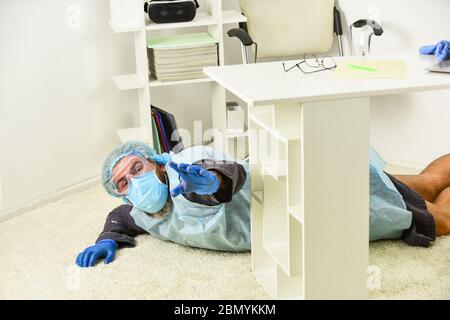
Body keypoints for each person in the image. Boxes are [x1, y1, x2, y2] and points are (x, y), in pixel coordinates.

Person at [76, 141, 450, 268]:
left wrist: (212, 182)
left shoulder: (185, 171)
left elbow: (226, 176)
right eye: (124, 182)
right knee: (427, 184)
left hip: (312, 199)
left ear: (155, 161)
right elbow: (122, 217)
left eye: (137, 168)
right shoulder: (142, 210)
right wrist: (108, 238)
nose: (134, 183)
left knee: (440, 217)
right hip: (302, 195)